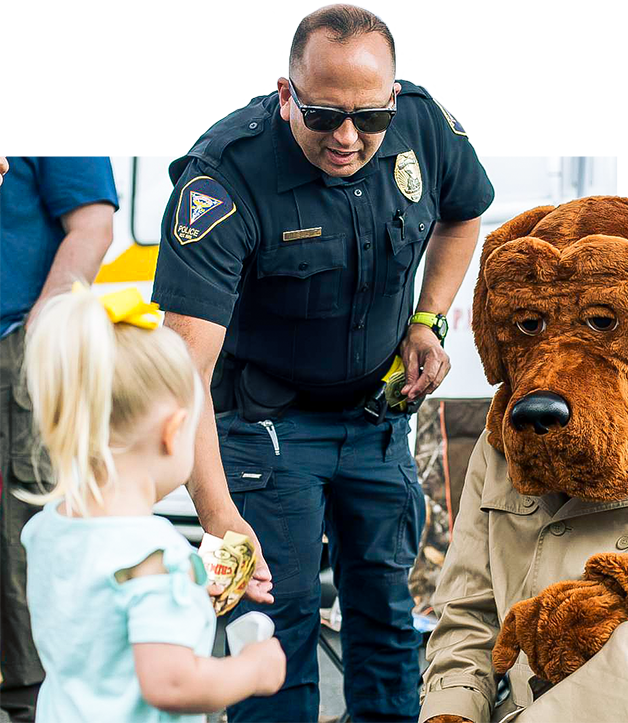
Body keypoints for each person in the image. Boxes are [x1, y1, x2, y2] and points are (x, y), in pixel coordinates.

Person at [151, 5, 494, 722]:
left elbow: (465, 212)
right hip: (260, 430)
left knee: (389, 619)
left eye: (368, 119)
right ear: (285, 93)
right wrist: (218, 517)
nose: (346, 137)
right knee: (276, 629)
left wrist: (427, 318)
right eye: (322, 114)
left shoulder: (422, 128)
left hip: (376, 420)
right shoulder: (221, 179)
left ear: (393, 100)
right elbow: (181, 376)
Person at [19, 285, 287, 722]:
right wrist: (252, 671)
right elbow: (171, 682)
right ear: (174, 431)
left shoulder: (49, 526)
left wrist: (195, 586)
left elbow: (102, 614)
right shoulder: (156, 554)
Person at [0, 155, 118, 723]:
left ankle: (31, 706)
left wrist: (37, 342)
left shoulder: (44, 84)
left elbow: (93, 222)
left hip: (14, 344)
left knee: (23, 538)